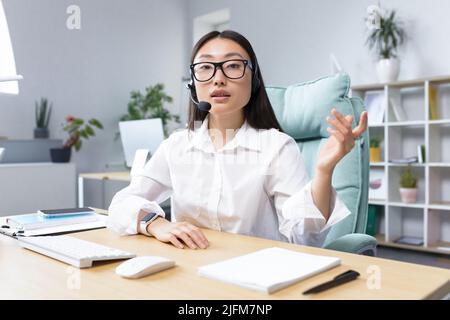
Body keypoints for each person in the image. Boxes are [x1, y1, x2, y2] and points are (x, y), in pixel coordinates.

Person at [108, 30, 368, 250]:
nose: (218, 78)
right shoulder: (177, 146)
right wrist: (157, 223)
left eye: (233, 66)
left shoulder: (276, 147)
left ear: (253, 80)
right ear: (193, 85)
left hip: (255, 275)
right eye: (205, 67)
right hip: (189, 274)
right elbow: (121, 204)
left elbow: (303, 237)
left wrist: (323, 171)